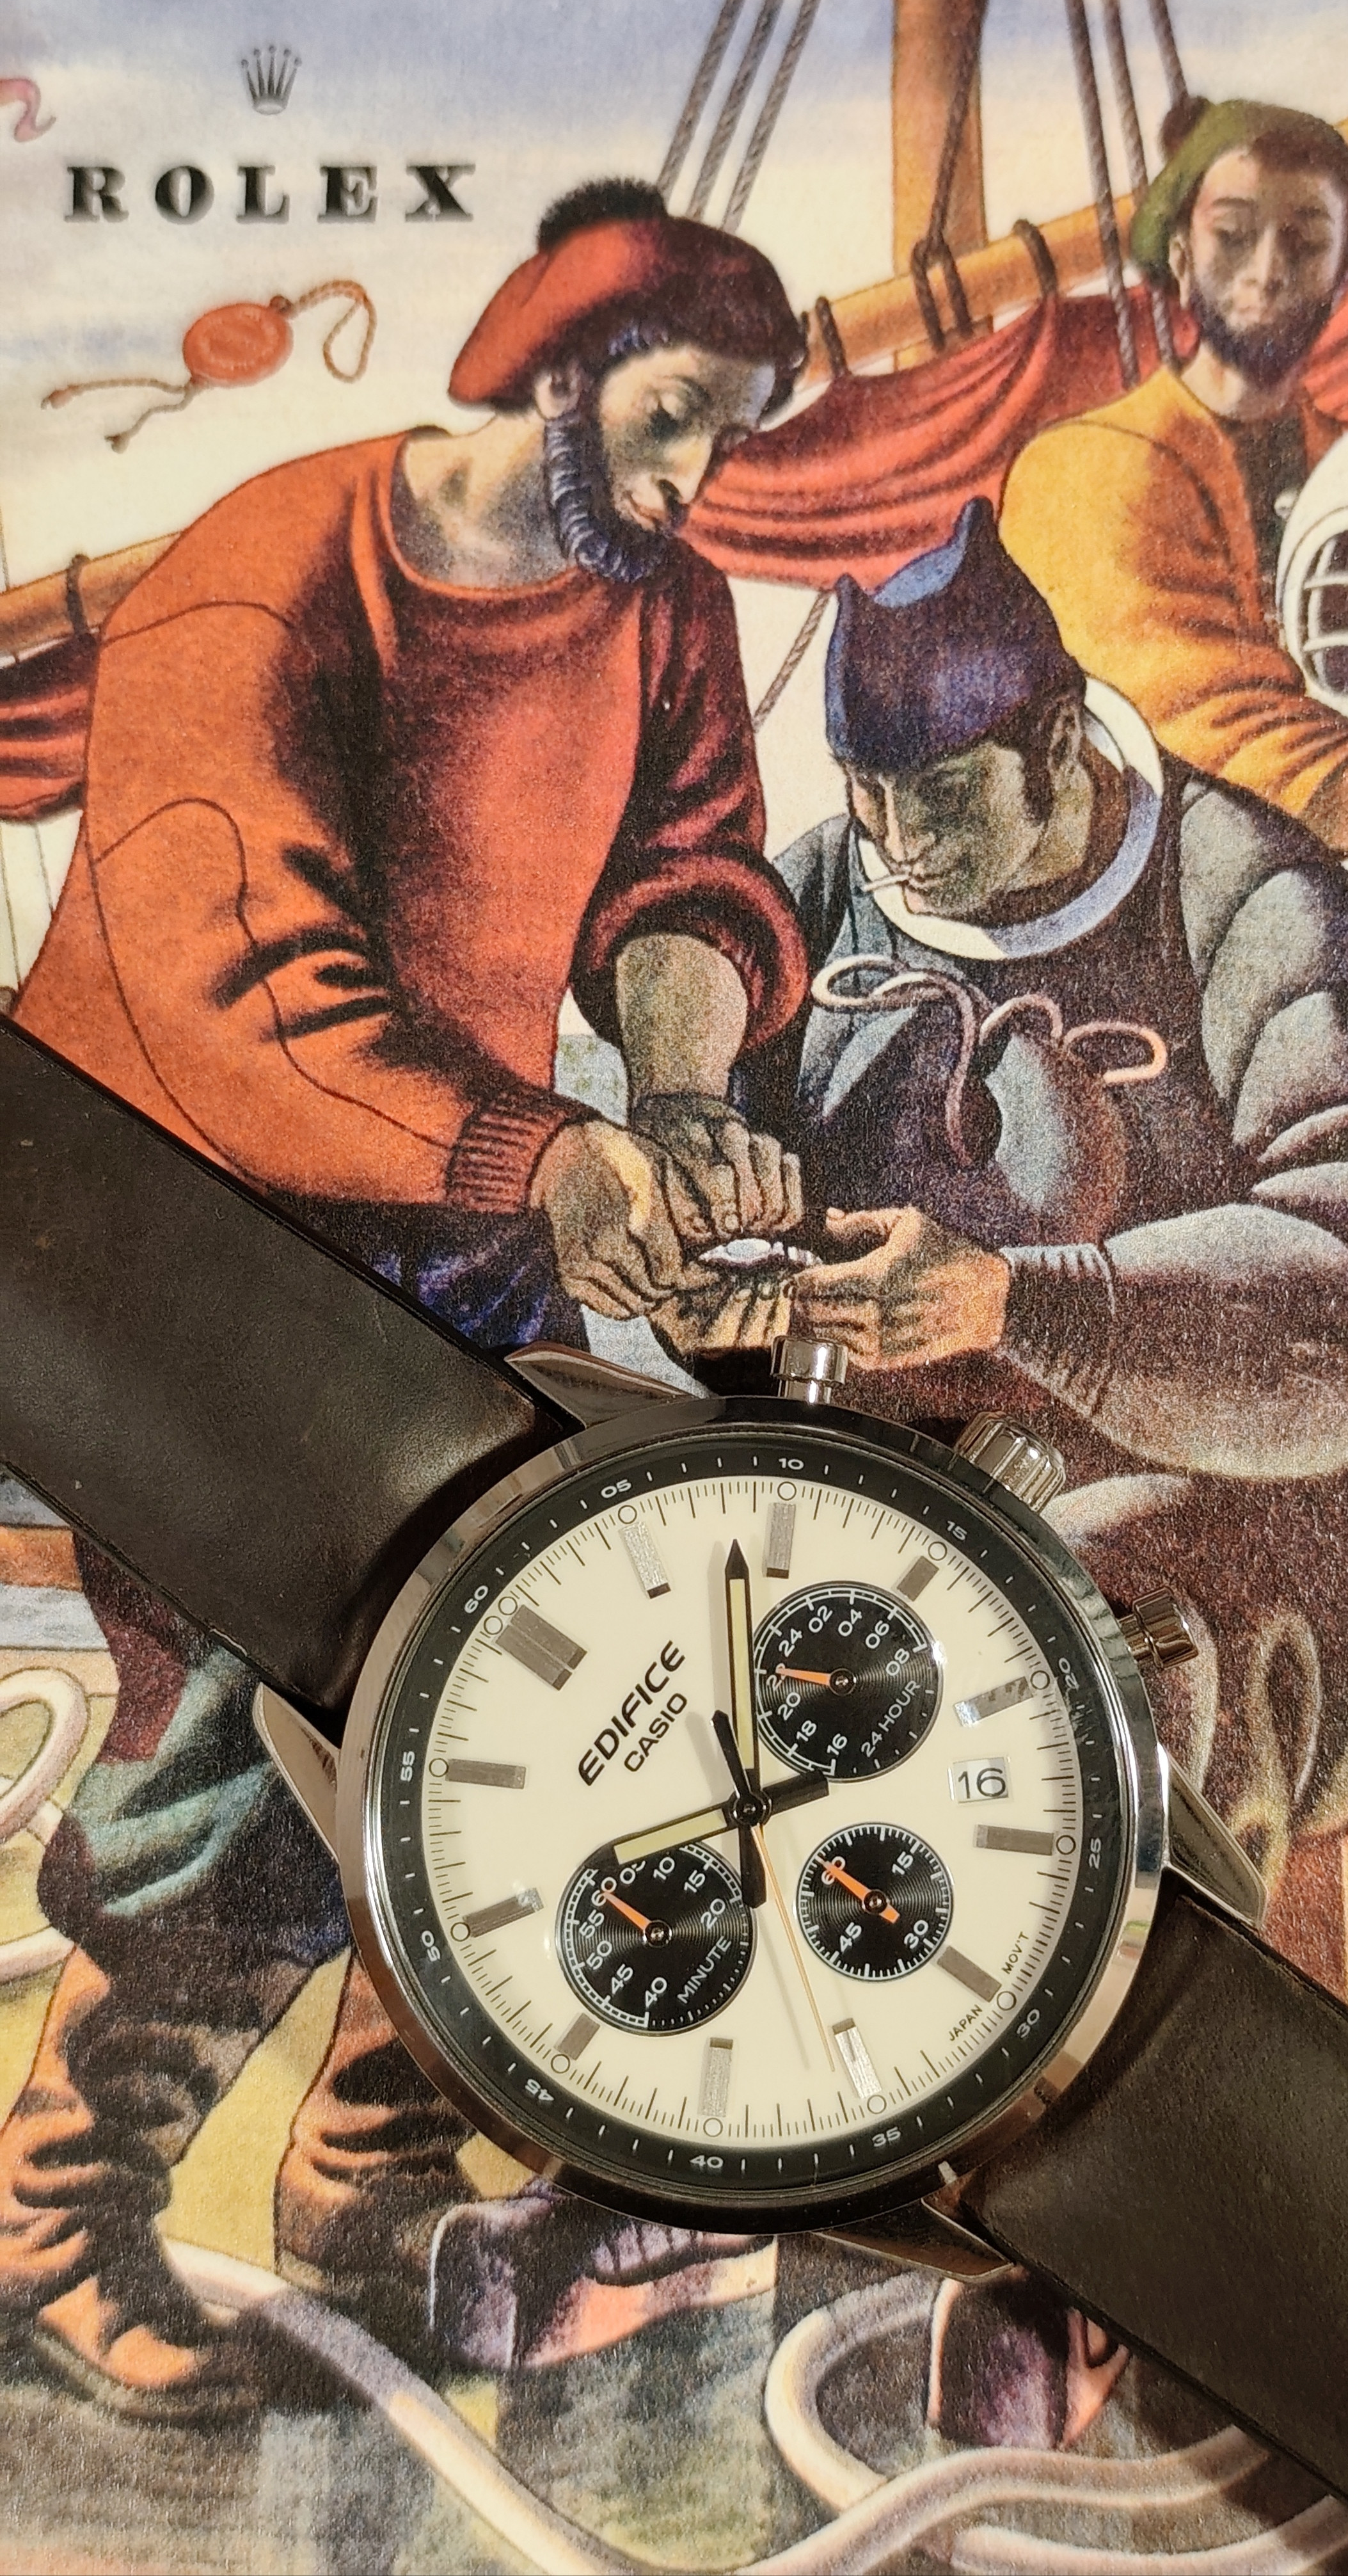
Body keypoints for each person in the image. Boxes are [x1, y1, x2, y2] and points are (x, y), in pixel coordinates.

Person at [0, 178, 807, 2413]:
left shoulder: (658, 594)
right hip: (154, 1240)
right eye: (672, 414)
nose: (694, 478)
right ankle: (50, 2227)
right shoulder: (260, 582)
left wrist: (674, 1090)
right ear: (555, 363)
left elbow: (690, 872)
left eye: (730, 433)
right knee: (241, 1728)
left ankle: (374, 2195)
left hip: (456, 1223)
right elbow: (237, 995)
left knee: (537, 1681)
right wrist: (544, 1154)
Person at [722, 501, 1348, 1917]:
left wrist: (1024, 1303)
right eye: (866, 796)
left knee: (1080, 1634)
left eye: (941, 796)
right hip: (911, 1502)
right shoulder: (821, 894)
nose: (896, 845)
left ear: (1057, 741)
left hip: (1252, 1520)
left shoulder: (1253, 899)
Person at [999, 97, 1348, 862]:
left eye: (1306, 242)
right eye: (1233, 236)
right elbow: (1240, 761)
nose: (1268, 271)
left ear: (1344, 270)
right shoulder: (1083, 472)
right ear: (1182, 256)